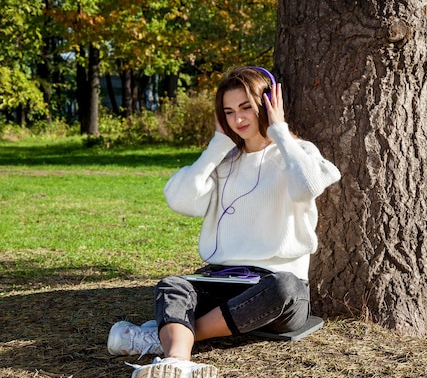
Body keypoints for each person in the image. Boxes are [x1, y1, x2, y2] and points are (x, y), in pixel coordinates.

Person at [107, 66, 341, 378]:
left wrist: (280, 132)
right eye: (229, 111)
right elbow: (180, 199)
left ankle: (160, 338)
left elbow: (308, 186)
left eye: (246, 107)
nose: (238, 119)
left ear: (268, 104)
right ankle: (177, 361)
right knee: (174, 285)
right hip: (222, 282)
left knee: (283, 286)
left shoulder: (296, 154)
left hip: (277, 292)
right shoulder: (224, 162)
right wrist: (217, 144)